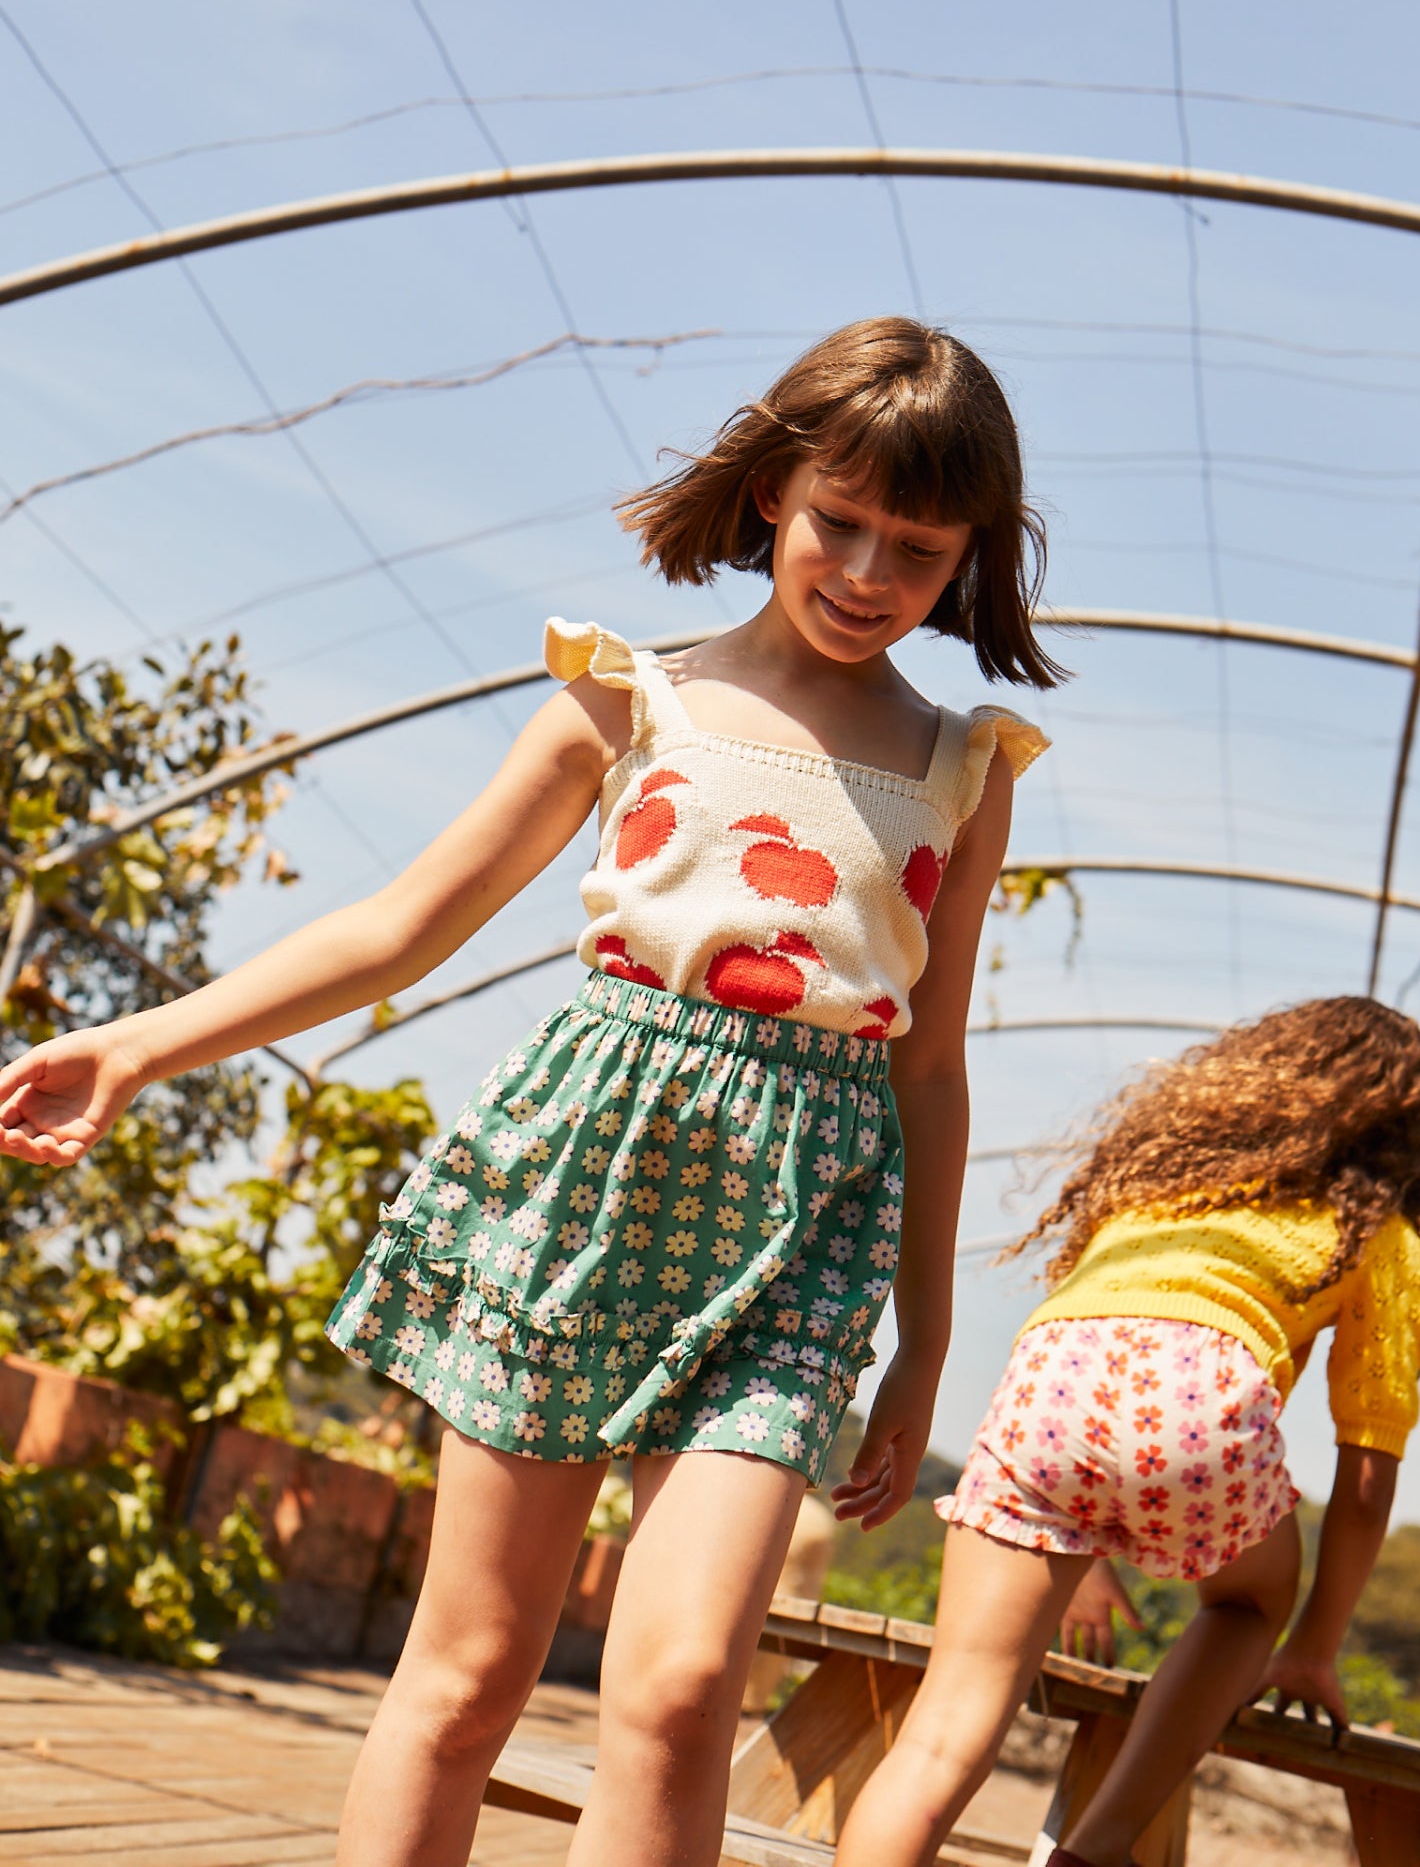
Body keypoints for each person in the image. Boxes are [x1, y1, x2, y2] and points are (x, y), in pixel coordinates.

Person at [0, 317, 1056, 1867]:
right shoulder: (630, 698)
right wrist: (148, 1042)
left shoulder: (966, 768)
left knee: (686, 1680)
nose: (866, 571)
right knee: (471, 1670)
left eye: (917, 546)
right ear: (774, 492)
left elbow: (934, 1060)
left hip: (798, 1234)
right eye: (841, 521)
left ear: (967, 558)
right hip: (580, 1188)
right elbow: (400, 928)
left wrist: (925, 1345)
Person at [833, 996, 1420, 1867]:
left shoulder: (1164, 1183)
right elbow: (1365, 1486)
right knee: (1251, 1601)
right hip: (1199, 1406)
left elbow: (1102, 1384)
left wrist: (1086, 1557)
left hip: (1048, 1386)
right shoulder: (1380, 1234)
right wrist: (1314, 1647)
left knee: (940, 1736)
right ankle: (1095, 1846)